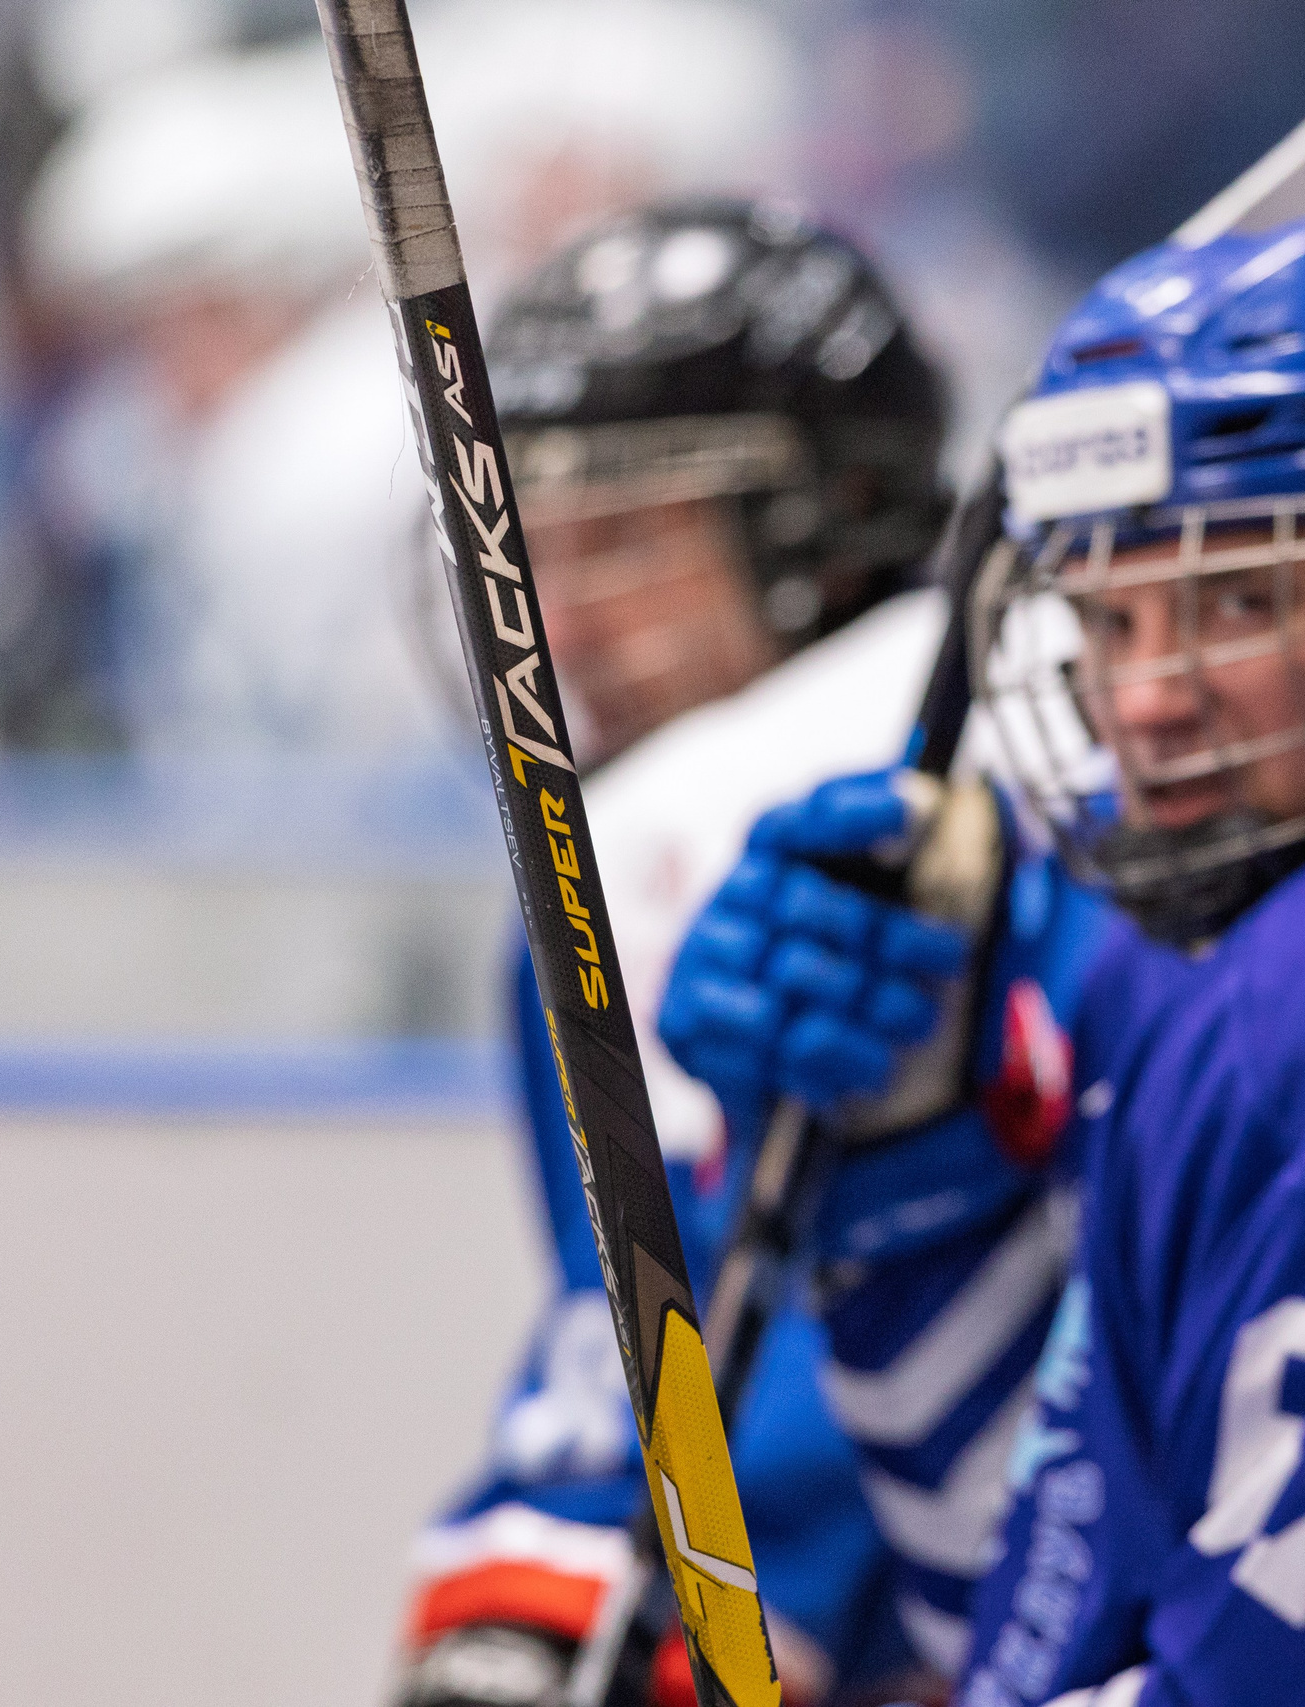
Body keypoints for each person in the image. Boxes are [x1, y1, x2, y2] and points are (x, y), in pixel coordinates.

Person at [656, 204, 1305, 1707]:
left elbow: (1238, 1665)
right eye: (1107, 624)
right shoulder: (1144, 954)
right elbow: (1038, 1585)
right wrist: (914, 1168)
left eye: (1235, 601)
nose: (1148, 702)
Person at [399, 196, 952, 1707]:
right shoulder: (600, 896)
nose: (551, 624)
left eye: (627, 542)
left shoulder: (984, 854)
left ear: (834, 533)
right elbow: (635, 1340)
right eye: (534, 553)